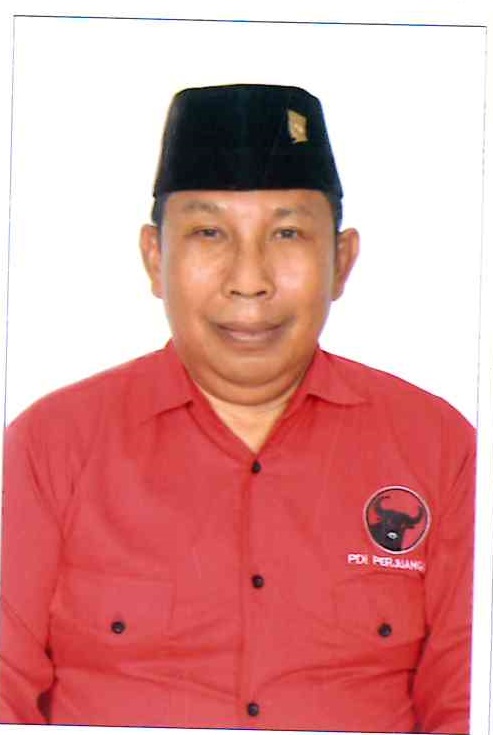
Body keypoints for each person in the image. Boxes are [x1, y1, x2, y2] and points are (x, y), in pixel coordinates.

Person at [0, 84, 475, 732]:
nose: (248, 280)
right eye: (209, 232)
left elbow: (469, 702)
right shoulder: (50, 448)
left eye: (286, 232)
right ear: (154, 258)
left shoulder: (440, 449)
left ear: (340, 261)